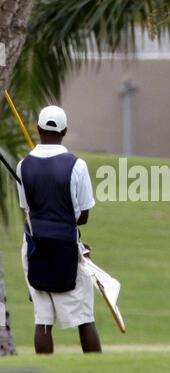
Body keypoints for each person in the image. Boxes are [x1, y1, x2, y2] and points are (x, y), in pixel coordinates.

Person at [16, 105, 101, 354]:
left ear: (39, 129)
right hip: (65, 244)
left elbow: (28, 209)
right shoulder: (77, 165)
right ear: (65, 130)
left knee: (43, 321)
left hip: (34, 247)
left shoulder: (23, 165)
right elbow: (83, 216)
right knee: (84, 318)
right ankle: (98, 371)